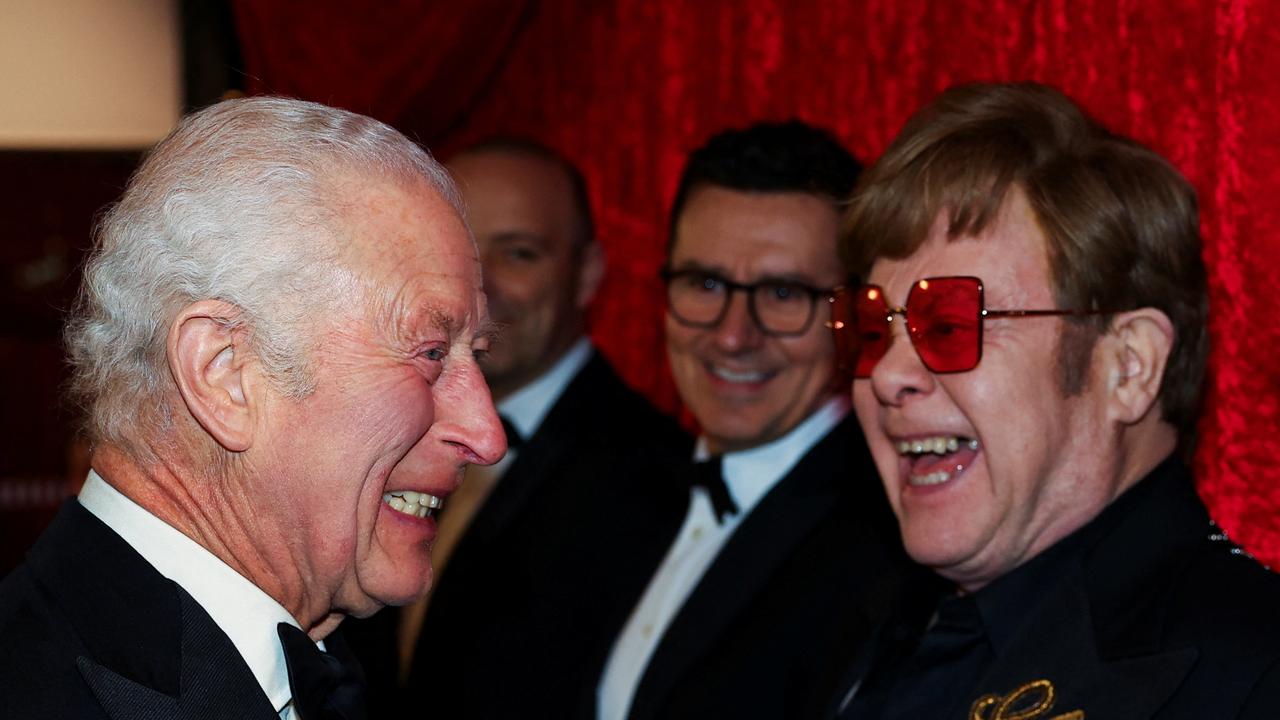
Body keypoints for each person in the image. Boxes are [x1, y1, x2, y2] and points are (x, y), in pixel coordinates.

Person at [0, 97, 506, 719]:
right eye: (430, 352)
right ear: (225, 373)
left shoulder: (323, 667)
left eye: (477, 354)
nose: (487, 435)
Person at [830, 81, 1280, 719]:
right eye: (872, 330)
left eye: (951, 323)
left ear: (1127, 366)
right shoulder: (864, 623)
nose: (887, 375)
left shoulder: (1256, 675)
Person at [598, 121, 939, 720]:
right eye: (705, 283)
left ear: (854, 314)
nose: (733, 336)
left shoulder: (893, 551)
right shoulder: (616, 493)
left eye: (784, 294)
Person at [347, 138, 691, 718]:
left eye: (520, 254)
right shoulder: (362, 427)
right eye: (457, 251)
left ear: (587, 275)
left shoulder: (659, 480)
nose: (479, 291)